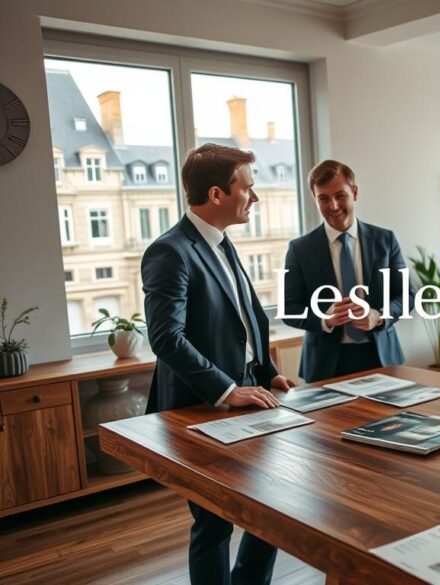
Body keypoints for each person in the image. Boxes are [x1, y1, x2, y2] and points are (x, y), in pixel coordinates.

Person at [142, 143, 296, 585]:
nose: (255, 196)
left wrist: (266, 373)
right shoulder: (169, 251)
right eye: (247, 187)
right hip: (201, 406)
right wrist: (228, 390)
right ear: (215, 195)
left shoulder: (224, 243)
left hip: (252, 392)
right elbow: (166, 338)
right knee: (213, 523)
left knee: (271, 507)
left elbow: (245, 320)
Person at [282, 160, 408, 382]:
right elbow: (289, 309)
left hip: (382, 357)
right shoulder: (299, 249)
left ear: (355, 192)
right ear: (315, 199)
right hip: (325, 363)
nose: (333, 206)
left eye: (340, 195)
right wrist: (324, 319)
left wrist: (378, 316)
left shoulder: (385, 240)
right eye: (323, 198)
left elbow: (406, 295)